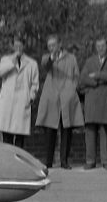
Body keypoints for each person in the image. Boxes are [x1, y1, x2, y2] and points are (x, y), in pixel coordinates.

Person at [36, 34, 84, 169]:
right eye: (49, 45)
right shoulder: (47, 58)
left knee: (66, 130)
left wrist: (71, 89)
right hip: (51, 97)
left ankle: (64, 161)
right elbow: (45, 65)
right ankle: (48, 161)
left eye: (53, 45)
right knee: (50, 130)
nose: (51, 47)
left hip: (66, 97)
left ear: (60, 44)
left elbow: (76, 75)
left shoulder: (71, 58)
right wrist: (52, 57)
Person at [0, 36, 39, 149]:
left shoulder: (32, 63)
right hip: (8, 101)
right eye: (16, 45)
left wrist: (31, 97)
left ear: (24, 46)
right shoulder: (6, 59)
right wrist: (12, 62)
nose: (18, 47)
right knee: (6, 134)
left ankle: (18, 162)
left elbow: (35, 83)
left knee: (20, 136)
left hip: (22, 101)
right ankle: (8, 160)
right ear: (12, 46)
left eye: (20, 45)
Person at [78, 37, 107, 170]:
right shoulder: (89, 61)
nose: (101, 48)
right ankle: (90, 160)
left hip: (105, 99)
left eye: (103, 46)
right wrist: (96, 82)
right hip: (91, 100)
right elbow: (83, 78)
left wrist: (97, 75)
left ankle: (106, 161)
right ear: (95, 47)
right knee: (90, 131)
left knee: (105, 130)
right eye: (98, 46)